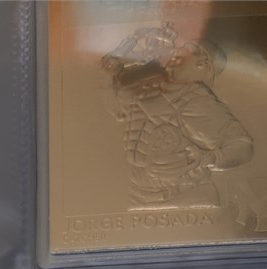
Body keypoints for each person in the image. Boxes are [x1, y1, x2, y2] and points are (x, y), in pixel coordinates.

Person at [101, 25, 254, 209]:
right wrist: (131, 43)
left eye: (185, 51)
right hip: (140, 198)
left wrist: (206, 159)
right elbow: (114, 93)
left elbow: (242, 146)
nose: (175, 52)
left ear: (202, 63)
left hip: (185, 200)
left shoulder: (195, 101)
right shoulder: (146, 88)